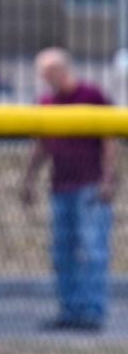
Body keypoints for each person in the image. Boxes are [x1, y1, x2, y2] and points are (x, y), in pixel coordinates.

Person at [20, 47, 116, 332]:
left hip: (89, 186)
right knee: (63, 252)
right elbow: (40, 145)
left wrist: (108, 179)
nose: (45, 79)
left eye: (48, 73)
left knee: (92, 249)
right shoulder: (47, 103)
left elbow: (110, 140)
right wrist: (29, 178)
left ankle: (92, 312)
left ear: (61, 70)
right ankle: (70, 310)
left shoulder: (91, 96)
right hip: (60, 186)